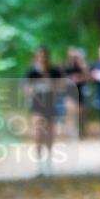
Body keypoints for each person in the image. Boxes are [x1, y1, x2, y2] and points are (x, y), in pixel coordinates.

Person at [25, 46, 62, 176]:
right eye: (40, 55)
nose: (42, 58)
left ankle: (49, 163)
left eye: (44, 55)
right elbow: (26, 90)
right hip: (36, 107)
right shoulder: (31, 72)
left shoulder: (54, 71)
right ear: (36, 57)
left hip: (51, 106)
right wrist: (34, 88)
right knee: (37, 135)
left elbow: (60, 88)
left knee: (50, 135)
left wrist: (50, 82)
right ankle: (39, 166)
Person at [63, 47, 90, 139]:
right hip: (70, 91)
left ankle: (81, 130)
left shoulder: (81, 66)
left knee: (81, 112)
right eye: (71, 56)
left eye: (75, 56)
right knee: (71, 110)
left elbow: (87, 77)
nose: (73, 57)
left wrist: (79, 78)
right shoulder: (66, 66)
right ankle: (72, 130)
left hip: (80, 91)